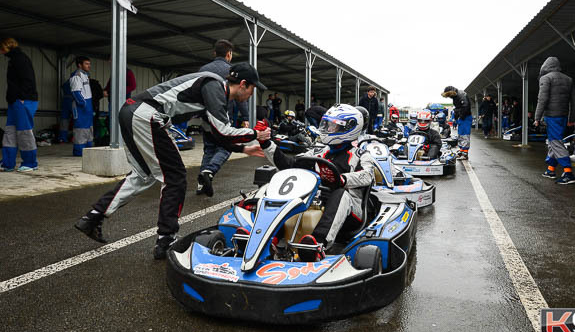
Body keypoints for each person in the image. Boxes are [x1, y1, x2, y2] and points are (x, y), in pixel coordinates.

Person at [73, 62, 271, 259]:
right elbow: (223, 131)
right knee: (175, 177)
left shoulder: (215, 92)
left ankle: (92, 218)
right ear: (244, 84)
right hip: (147, 115)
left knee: (143, 176)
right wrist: (255, 133)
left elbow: (215, 133)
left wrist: (244, 148)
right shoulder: (215, 85)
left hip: (132, 112)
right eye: (253, 89)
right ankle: (166, 239)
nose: (252, 95)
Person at [258, 104, 374, 261]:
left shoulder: (361, 155)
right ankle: (269, 240)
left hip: (351, 211)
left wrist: (343, 179)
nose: (328, 129)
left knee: (340, 194)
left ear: (349, 128)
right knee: (289, 189)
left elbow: (368, 176)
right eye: (327, 124)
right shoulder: (318, 151)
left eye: (333, 126)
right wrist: (266, 143)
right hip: (317, 200)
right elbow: (288, 164)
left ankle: (317, 245)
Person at [196, 39, 249, 196]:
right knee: (226, 147)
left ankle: (201, 184)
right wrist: (245, 117)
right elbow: (240, 96)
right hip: (222, 116)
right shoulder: (232, 71)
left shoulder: (203, 69)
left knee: (209, 150)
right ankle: (209, 172)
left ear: (214, 53)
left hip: (205, 116)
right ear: (229, 54)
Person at [534, 56, 575, 185]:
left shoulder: (545, 78)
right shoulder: (568, 79)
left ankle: (568, 172)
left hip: (552, 116)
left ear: (545, 66)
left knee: (556, 142)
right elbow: (574, 101)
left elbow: (542, 99)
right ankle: (551, 170)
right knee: (554, 141)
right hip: (563, 116)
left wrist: (537, 117)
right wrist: (572, 118)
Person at [0, 38, 38, 172]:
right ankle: (7, 163)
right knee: (10, 132)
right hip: (15, 101)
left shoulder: (20, 59)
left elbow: (28, 79)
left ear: (6, 47)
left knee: (24, 132)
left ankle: (30, 162)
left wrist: (22, 97)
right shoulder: (13, 59)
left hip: (23, 100)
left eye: (2, 48)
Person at [69, 56, 94, 156]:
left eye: (89, 63)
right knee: (80, 129)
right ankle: (79, 152)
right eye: (86, 64)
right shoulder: (77, 76)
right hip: (81, 107)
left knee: (88, 128)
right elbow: (76, 92)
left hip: (88, 106)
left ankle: (88, 151)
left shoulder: (85, 75)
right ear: (80, 65)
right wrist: (83, 104)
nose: (89, 66)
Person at [441, 86, 472, 159]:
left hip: (465, 117)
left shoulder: (461, 95)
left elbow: (465, 106)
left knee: (465, 135)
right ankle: (462, 150)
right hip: (462, 117)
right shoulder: (456, 96)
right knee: (461, 134)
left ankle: (465, 153)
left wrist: (460, 115)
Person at [59, 77, 74, 143]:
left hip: (65, 101)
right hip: (73, 101)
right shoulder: (77, 81)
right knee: (77, 120)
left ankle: (62, 138)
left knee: (64, 121)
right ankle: (74, 138)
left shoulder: (66, 84)